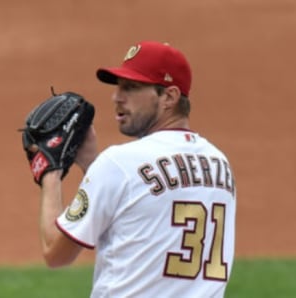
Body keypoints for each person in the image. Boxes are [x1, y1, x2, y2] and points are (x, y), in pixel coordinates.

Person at [39, 40, 237, 297]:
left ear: (169, 97)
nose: (117, 97)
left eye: (131, 88)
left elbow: (55, 253)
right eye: (119, 87)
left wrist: (50, 172)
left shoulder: (118, 164)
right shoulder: (219, 164)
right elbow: (142, 213)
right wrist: (92, 166)